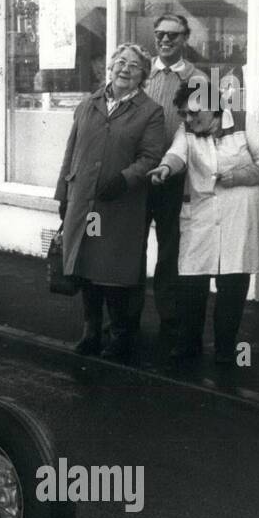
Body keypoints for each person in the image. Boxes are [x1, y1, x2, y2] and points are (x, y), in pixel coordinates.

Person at [149, 79, 259, 365]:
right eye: (183, 113)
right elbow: (176, 154)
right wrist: (165, 168)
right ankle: (189, 344)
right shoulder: (187, 131)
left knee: (232, 284)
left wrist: (238, 177)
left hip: (239, 214)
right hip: (201, 216)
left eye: (194, 113)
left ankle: (225, 349)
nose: (188, 119)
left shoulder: (246, 122)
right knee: (191, 283)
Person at [54, 44, 165, 363]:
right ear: (110, 67)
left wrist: (124, 179)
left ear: (144, 75)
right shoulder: (89, 103)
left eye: (133, 66)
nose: (125, 69)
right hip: (84, 202)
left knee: (114, 271)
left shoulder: (151, 111)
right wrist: (63, 194)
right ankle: (90, 332)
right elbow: (70, 150)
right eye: (120, 62)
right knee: (87, 266)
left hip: (119, 205)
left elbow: (151, 157)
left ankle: (119, 335)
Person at [131, 12, 209, 355]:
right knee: (130, 248)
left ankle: (170, 323)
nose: (165, 40)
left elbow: (202, 126)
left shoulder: (197, 78)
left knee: (169, 251)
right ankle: (126, 319)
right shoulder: (140, 73)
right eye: (161, 34)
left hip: (173, 177)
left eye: (174, 36)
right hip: (137, 175)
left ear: (185, 38)